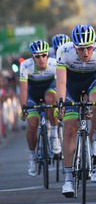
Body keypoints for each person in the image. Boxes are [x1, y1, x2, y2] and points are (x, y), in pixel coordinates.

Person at [55, 24, 96, 197]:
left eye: (88, 48)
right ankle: (69, 179)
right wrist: (61, 104)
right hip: (72, 85)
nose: (85, 52)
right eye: (80, 49)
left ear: (94, 44)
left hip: (94, 81)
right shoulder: (64, 51)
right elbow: (61, 83)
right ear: (74, 46)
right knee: (70, 129)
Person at [19, 40, 59, 176]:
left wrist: (60, 105)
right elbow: (23, 90)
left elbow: (60, 86)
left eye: (44, 55)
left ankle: (54, 135)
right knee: (32, 125)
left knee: (51, 99)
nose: (41, 59)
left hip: (49, 90)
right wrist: (23, 108)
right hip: (32, 95)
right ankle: (32, 157)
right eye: (38, 56)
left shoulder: (54, 64)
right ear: (32, 57)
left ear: (48, 54)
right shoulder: (26, 66)